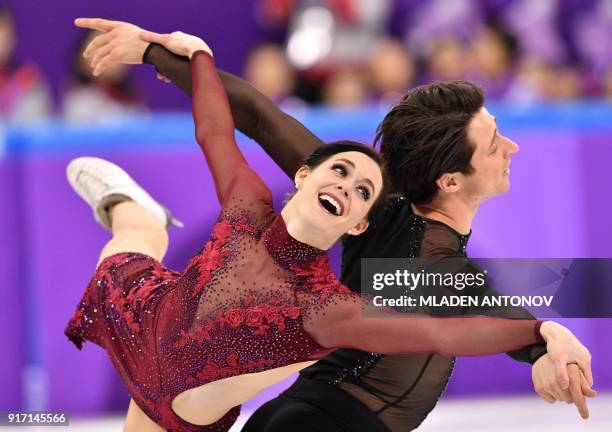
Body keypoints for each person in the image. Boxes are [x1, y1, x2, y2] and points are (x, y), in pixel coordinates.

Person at [72, 19, 596, 431]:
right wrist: (545, 336)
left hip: (243, 401)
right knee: (129, 251)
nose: (513, 148)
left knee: (136, 245)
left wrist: (544, 341)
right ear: (451, 181)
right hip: (316, 418)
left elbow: (467, 300)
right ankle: (133, 211)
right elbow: (456, 310)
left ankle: (133, 211)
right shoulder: (385, 229)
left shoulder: (374, 213)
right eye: (494, 142)